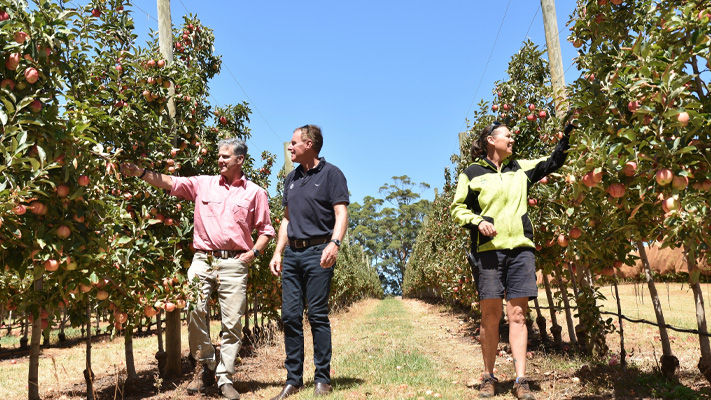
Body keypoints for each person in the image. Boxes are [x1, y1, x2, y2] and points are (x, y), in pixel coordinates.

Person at [121, 138, 275, 400]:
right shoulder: (203, 184)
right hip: (203, 258)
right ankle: (206, 364)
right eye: (219, 155)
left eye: (226, 156)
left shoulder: (255, 192)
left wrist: (253, 253)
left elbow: (267, 230)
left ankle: (225, 377)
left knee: (233, 322)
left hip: (235, 261)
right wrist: (142, 173)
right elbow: (170, 182)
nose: (220, 160)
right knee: (193, 307)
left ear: (240, 160)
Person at [451, 121, 574, 399]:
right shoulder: (471, 173)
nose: (512, 139)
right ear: (491, 141)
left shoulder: (521, 168)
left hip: (520, 249)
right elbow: (457, 208)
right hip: (489, 251)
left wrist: (567, 137)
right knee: (490, 315)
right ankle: (489, 376)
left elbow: (553, 161)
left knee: (518, 315)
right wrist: (477, 221)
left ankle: (521, 380)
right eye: (507, 135)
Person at [268, 124, 348, 399]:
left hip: (318, 252)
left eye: (293, 143)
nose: (290, 147)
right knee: (290, 316)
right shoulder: (290, 179)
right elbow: (287, 219)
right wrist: (278, 251)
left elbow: (341, 214)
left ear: (309, 144)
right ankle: (293, 379)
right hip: (292, 255)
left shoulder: (331, 175)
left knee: (316, 315)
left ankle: (322, 378)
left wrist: (334, 244)